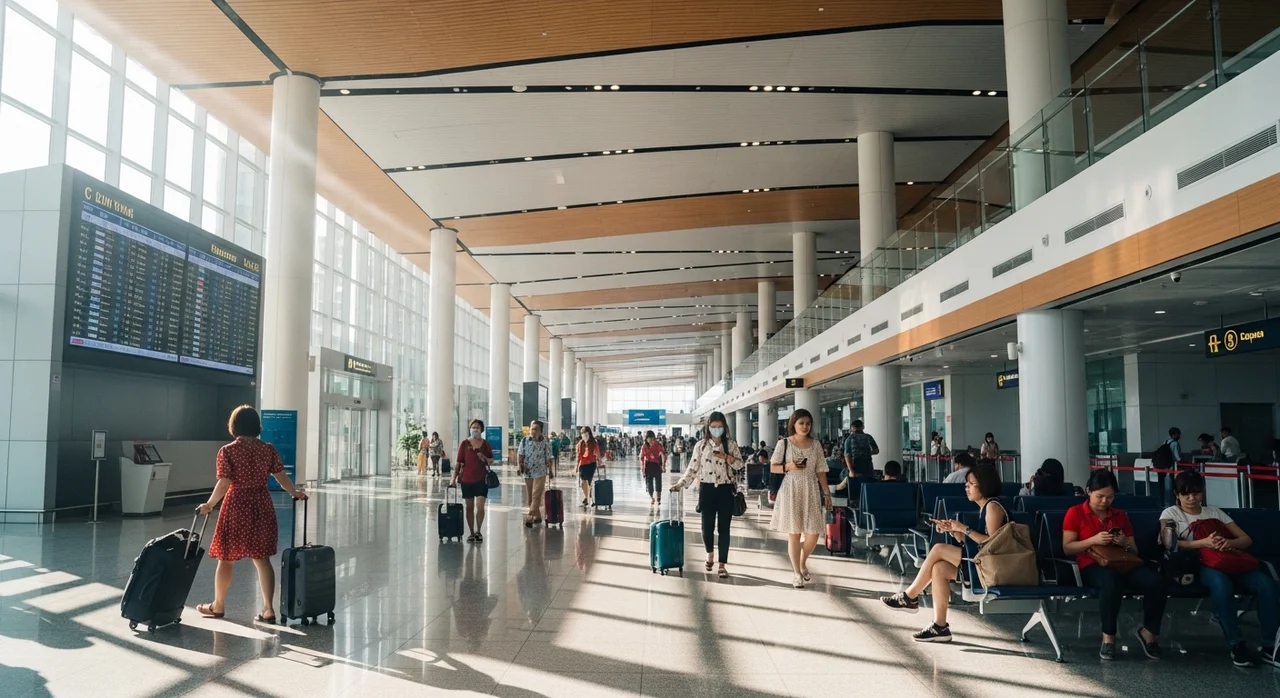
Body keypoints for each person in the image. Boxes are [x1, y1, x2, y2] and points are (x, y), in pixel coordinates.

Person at [195, 405, 307, 623]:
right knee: (262, 559)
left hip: (236, 505)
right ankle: (268, 609)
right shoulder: (268, 449)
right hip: (261, 504)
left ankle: (218, 605)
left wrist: (209, 504)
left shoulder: (227, 451)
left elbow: (225, 482)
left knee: (226, 558)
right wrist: (294, 492)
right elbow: (280, 475)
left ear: (234, 426)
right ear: (257, 426)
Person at [1160, 470, 1278, 667]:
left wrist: (1228, 543)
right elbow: (1169, 543)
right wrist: (1203, 543)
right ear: (1177, 495)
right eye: (1186, 494)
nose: (1191, 498)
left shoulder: (1215, 513)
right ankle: (1236, 643)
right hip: (1201, 564)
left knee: (1266, 585)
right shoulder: (1171, 514)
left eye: (1196, 493)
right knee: (1221, 584)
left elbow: (1246, 539)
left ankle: (1270, 644)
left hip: (1228, 559)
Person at [882, 461, 1007, 641]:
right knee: (939, 569)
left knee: (938, 548)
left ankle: (909, 597)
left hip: (994, 567)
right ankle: (940, 627)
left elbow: (993, 544)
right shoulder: (985, 507)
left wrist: (964, 529)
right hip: (984, 563)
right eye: (967, 483)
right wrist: (956, 533)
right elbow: (979, 543)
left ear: (984, 485)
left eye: (971, 484)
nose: (967, 487)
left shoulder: (993, 507)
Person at [1062, 469, 1167, 660]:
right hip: (1091, 564)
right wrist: (1093, 540)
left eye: (1110, 497)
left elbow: (1134, 550)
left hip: (1123, 562)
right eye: (1100, 496)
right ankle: (1108, 637)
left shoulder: (1120, 516)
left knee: (1155, 581)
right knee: (1111, 581)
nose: (1105, 502)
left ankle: (1149, 632)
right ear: (1088, 491)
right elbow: (1068, 548)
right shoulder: (1075, 513)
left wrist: (1124, 542)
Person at [671, 412, 743, 579]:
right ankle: (710, 553)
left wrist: (726, 457)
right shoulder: (701, 446)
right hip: (707, 489)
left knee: (724, 529)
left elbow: (740, 465)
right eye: (713, 427)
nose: (717, 430)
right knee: (706, 527)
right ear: (708, 427)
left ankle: (722, 565)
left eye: (720, 427)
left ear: (724, 427)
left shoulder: (731, 445)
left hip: (725, 490)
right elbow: (693, 468)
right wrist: (680, 484)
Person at [769, 409, 832, 588]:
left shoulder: (816, 444)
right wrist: (789, 466)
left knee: (814, 533)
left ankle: (802, 561)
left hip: (811, 488)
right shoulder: (785, 444)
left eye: (808, 423)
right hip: (791, 488)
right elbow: (773, 467)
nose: (805, 427)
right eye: (801, 423)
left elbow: (820, 470)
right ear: (793, 424)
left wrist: (826, 493)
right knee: (794, 533)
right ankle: (796, 572)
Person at [451, 419, 495, 542]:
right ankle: (471, 532)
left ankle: (478, 531)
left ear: (481, 430)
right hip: (467, 479)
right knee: (469, 507)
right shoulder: (464, 444)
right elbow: (458, 462)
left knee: (480, 507)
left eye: (477, 427)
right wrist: (453, 478)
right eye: (472, 427)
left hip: (482, 479)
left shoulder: (485, 444)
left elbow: (491, 460)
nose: (474, 429)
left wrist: (485, 458)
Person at [518, 419, 553, 528]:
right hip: (528, 472)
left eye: (535, 429)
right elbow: (520, 455)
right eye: (531, 429)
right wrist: (521, 466)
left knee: (536, 495)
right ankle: (537, 516)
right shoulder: (524, 440)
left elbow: (548, 458)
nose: (533, 431)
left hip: (541, 472)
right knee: (530, 497)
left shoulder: (545, 442)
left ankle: (529, 517)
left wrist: (550, 470)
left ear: (540, 431)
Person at [575, 427, 602, 508]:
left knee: (589, 481)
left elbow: (597, 453)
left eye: (586, 434)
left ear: (589, 434)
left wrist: (599, 460)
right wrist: (576, 466)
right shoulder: (580, 443)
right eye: (583, 434)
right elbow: (578, 455)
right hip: (583, 464)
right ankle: (587, 497)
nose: (585, 436)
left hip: (591, 464)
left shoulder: (594, 443)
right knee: (583, 482)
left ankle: (588, 499)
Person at [640, 430, 666, 508]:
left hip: (656, 465)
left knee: (658, 481)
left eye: (652, 438)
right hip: (648, 465)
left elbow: (662, 455)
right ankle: (652, 497)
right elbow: (642, 458)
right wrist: (643, 469)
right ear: (646, 439)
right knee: (649, 483)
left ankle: (658, 497)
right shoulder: (644, 446)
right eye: (649, 438)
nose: (651, 440)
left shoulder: (658, 445)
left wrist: (663, 466)